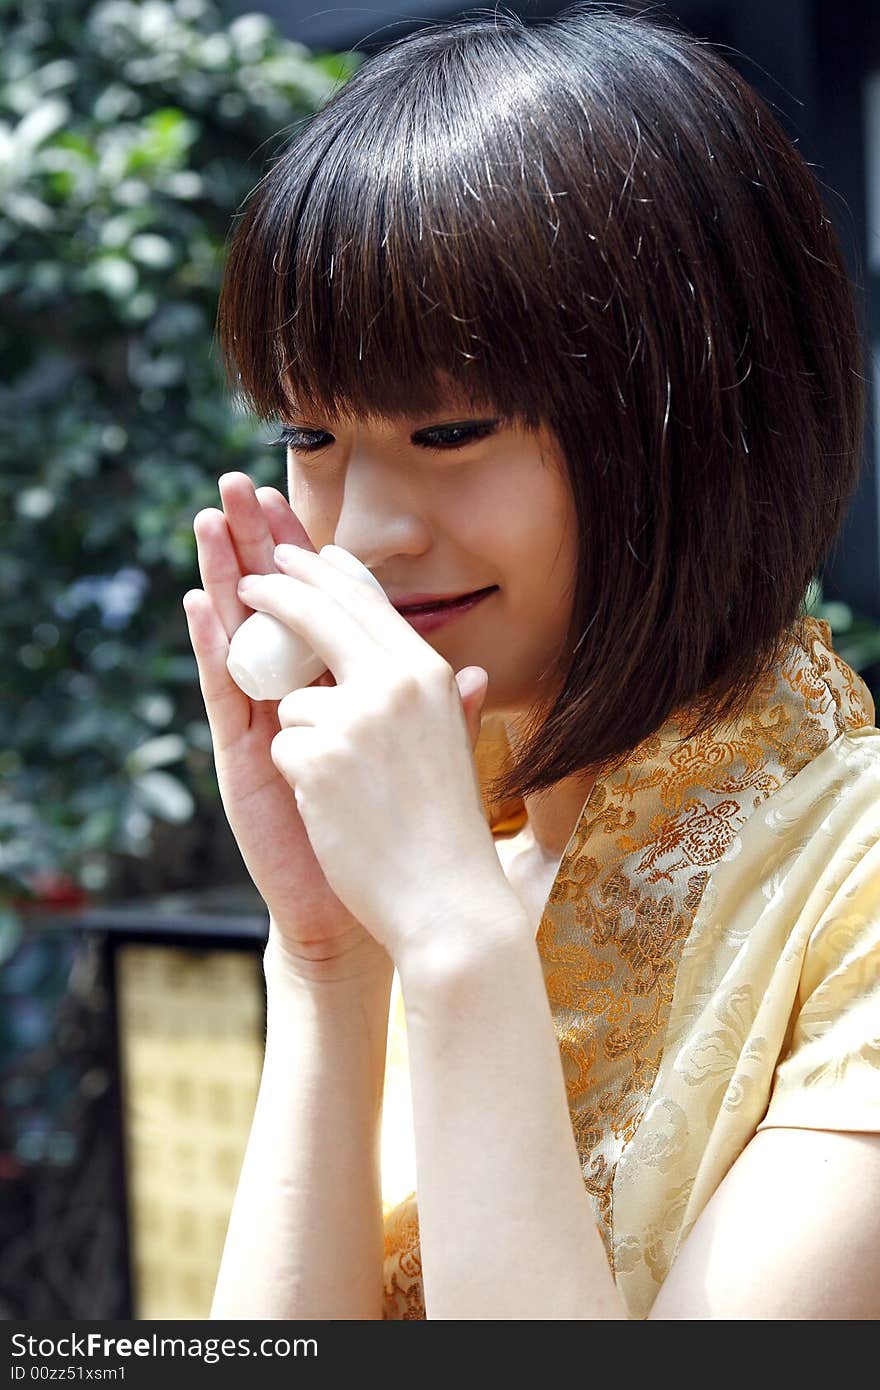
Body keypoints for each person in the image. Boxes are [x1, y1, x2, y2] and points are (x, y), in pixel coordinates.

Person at [182, 4, 880, 1319]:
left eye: (447, 429)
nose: (365, 533)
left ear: (696, 413)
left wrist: (453, 943)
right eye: (310, 435)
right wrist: (328, 960)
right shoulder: (428, 840)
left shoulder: (853, 893)